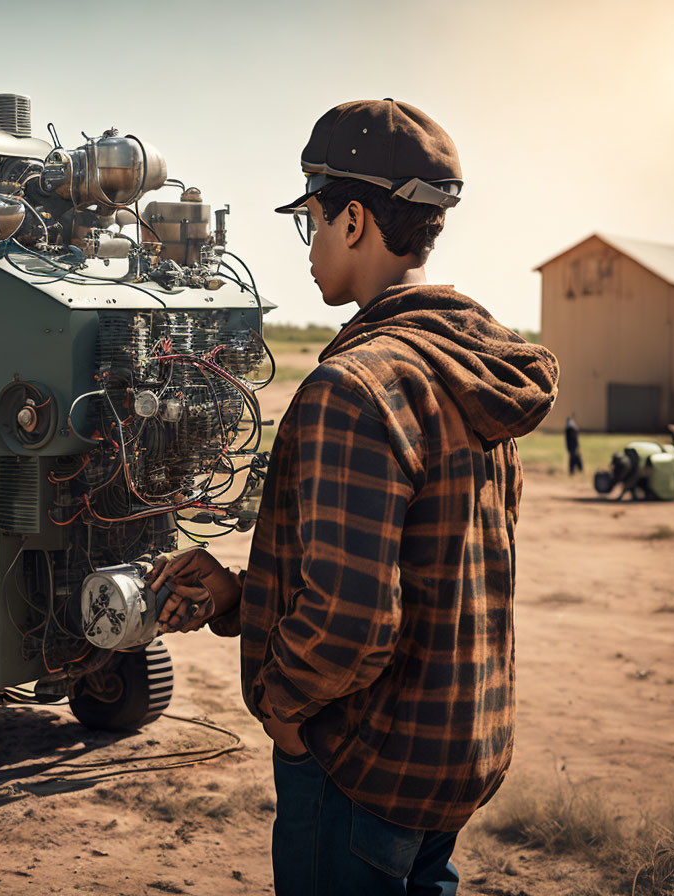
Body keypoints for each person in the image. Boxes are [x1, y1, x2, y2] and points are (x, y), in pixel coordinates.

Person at [148, 99, 559, 895]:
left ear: (356, 219)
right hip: (455, 751)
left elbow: (352, 619)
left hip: (360, 770)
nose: (308, 245)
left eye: (313, 219)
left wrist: (283, 713)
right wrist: (239, 598)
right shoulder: (471, 363)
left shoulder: (354, 385)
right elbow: (430, 563)